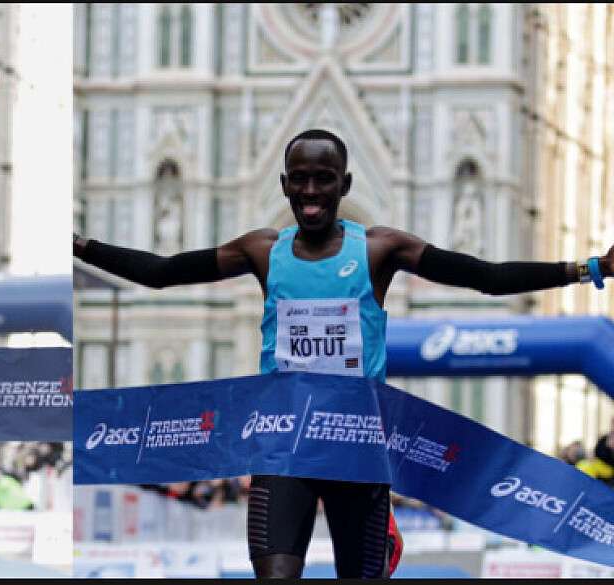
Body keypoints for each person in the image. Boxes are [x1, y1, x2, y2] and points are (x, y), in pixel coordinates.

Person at [73, 128, 613, 578]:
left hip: (355, 447)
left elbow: (486, 277)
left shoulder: (379, 249)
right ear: (284, 185)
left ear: (344, 184)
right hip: (284, 445)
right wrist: (77, 245)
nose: (311, 190)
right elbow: (161, 272)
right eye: (300, 178)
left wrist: (587, 268)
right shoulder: (262, 250)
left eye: (324, 178)